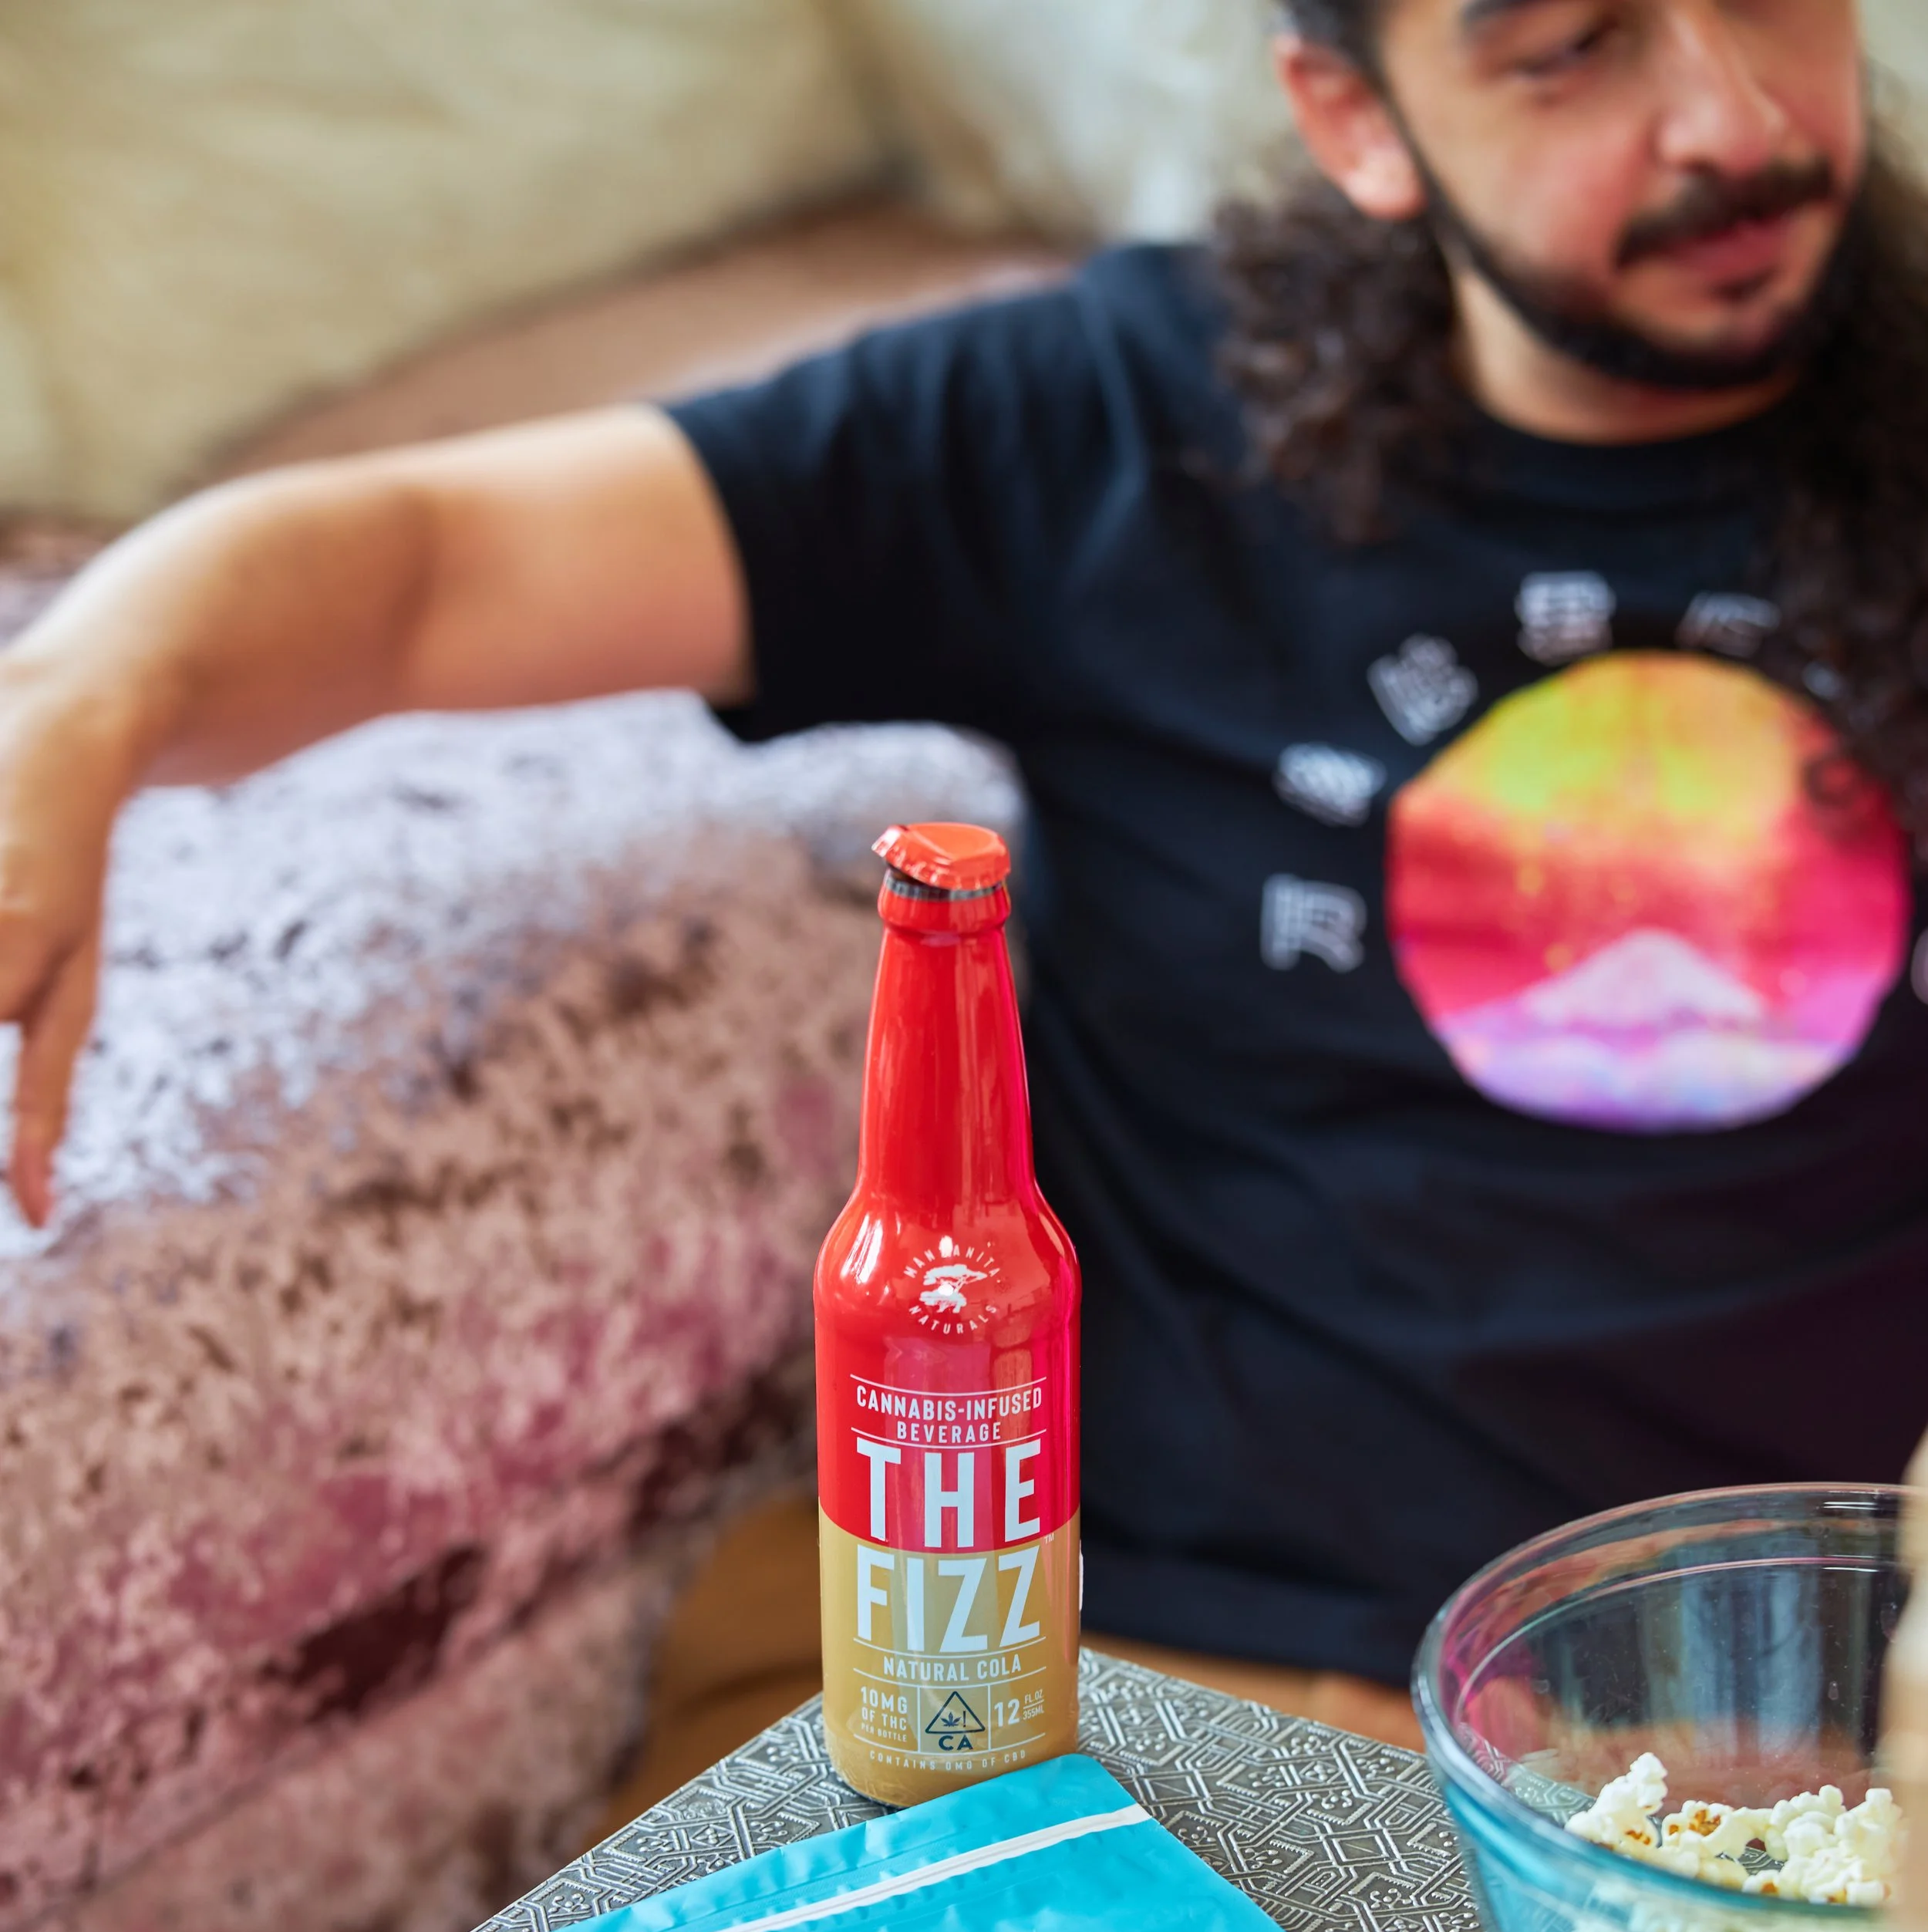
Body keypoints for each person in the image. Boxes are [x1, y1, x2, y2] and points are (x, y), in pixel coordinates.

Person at [1, 0, 1923, 1753]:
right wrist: (81, 702)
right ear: (1354, 117)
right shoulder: (1120, 424)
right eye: (1569, 47)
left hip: (1792, 1725)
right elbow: (429, 568)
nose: (1726, 118)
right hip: (1147, 1668)